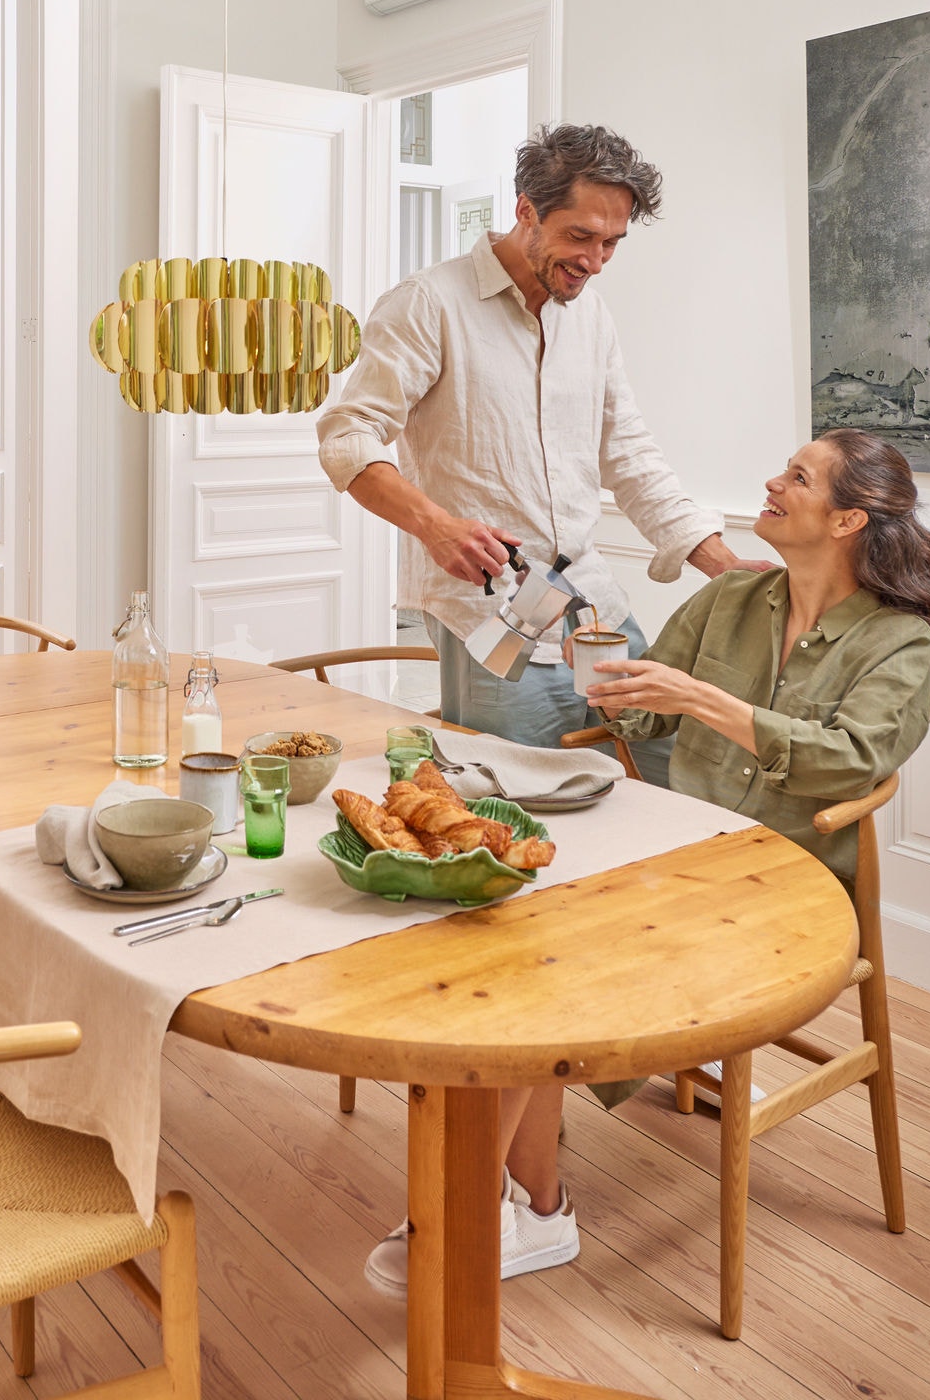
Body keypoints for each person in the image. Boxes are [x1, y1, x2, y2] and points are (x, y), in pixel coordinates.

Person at [318, 122, 757, 1292]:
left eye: (612, 239)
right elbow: (344, 436)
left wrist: (728, 565)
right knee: (517, 883)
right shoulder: (428, 303)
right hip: (489, 616)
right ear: (522, 206)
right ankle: (518, 1182)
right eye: (577, 233)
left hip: (594, 603)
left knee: (624, 855)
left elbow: (631, 456)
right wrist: (431, 523)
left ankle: (577, 1093)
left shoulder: (591, 315)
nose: (595, 256)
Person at [486, 427, 930, 1233]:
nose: (773, 484)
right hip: (676, 861)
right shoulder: (730, 598)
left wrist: (704, 700)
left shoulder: (899, 641)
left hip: (790, 891)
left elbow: (851, 762)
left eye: (799, 477)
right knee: (524, 945)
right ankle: (520, 1206)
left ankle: (503, 1211)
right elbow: (641, 715)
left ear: (848, 521)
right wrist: (602, 674)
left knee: (554, 970)